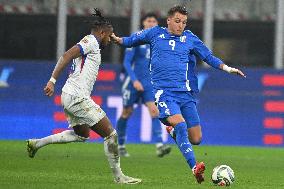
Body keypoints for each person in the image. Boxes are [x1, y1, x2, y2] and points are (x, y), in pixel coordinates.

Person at [111, 5, 246, 184]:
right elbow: (130, 40)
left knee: (196, 138)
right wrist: (116, 38)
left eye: (184, 22)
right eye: (177, 21)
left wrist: (228, 69)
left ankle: (173, 132)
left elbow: (208, 57)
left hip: (186, 95)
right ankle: (194, 167)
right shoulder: (154, 34)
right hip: (164, 93)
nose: (180, 25)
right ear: (168, 20)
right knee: (181, 125)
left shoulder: (190, 38)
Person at [26, 9, 141, 185]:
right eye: (108, 37)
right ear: (102, 33)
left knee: (82, 134)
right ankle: (120, 178)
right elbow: (66, 55)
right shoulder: (91, 41)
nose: (109, 41)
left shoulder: (93, 43)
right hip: (77, 96)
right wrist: (52, 80)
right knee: (111, 134)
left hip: (70, 95)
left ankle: (36, 144)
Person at [117, 13, 171, 157]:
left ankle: (160, 145)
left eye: (154, 21)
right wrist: (134, 80)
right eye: (149, 20)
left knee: (155, 111)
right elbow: (127, 62)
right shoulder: (136, 37)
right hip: (132, 82)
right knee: (126, 113)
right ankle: (120, 145)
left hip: (149, 83)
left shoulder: (158, 41)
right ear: (143, 23)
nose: (152, 23)